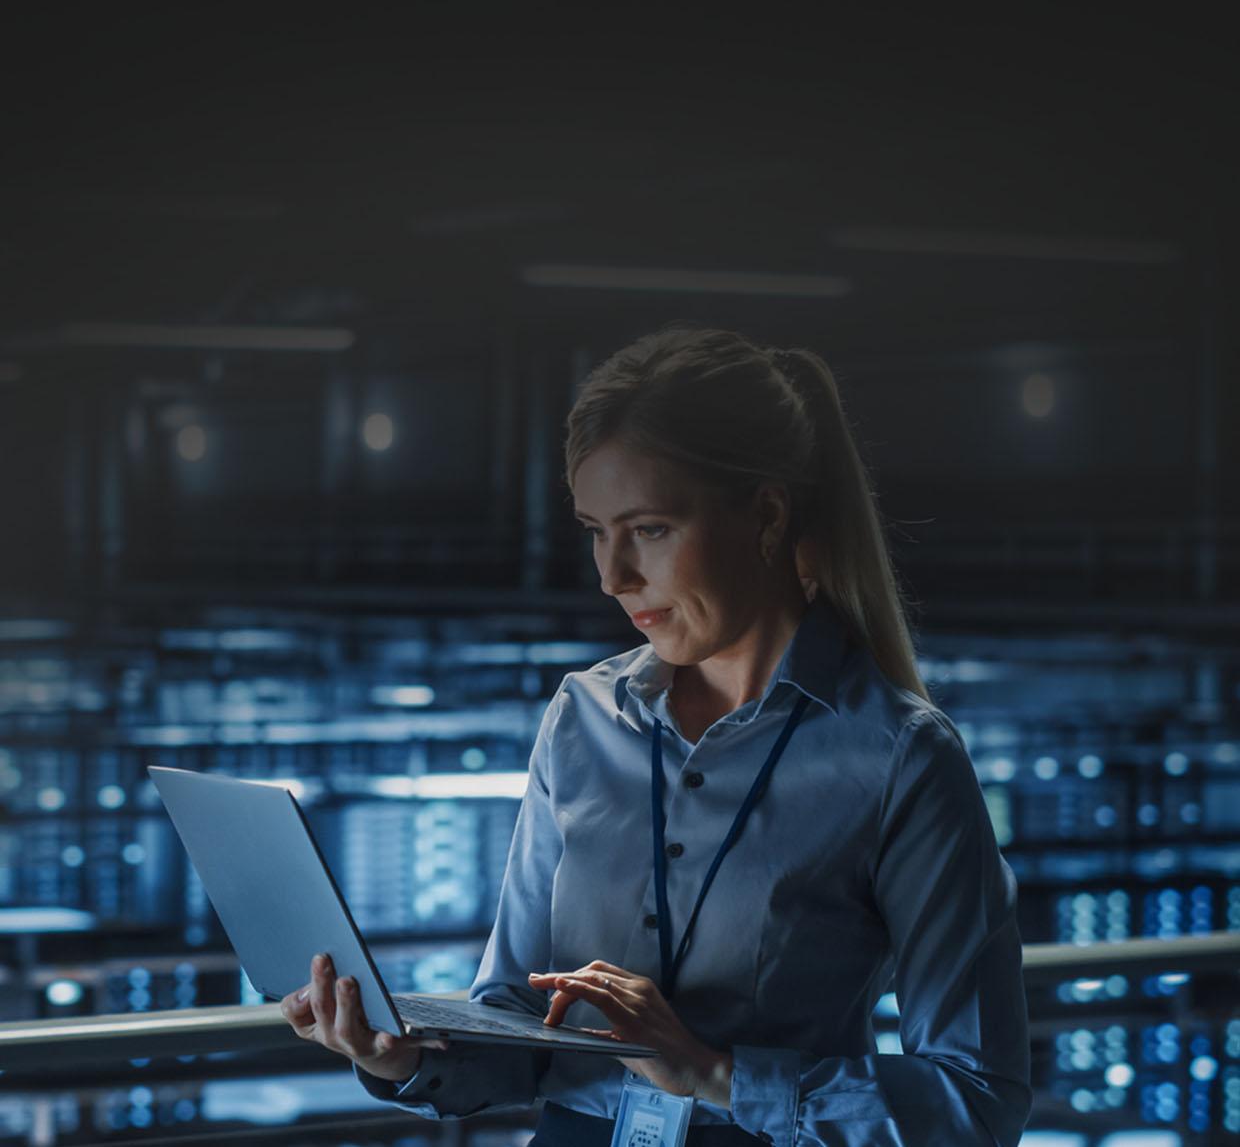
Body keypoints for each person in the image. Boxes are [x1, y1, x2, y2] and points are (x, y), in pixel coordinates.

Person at [280, 325, 1033, 1145]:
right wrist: (399, 1059)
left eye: (650, 529)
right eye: (595, 531)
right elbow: (520, 1019)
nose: (613, 577)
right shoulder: (582, 717)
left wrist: (714, 1074)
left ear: (767, 514)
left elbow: (979, 1100)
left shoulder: (900, 757)